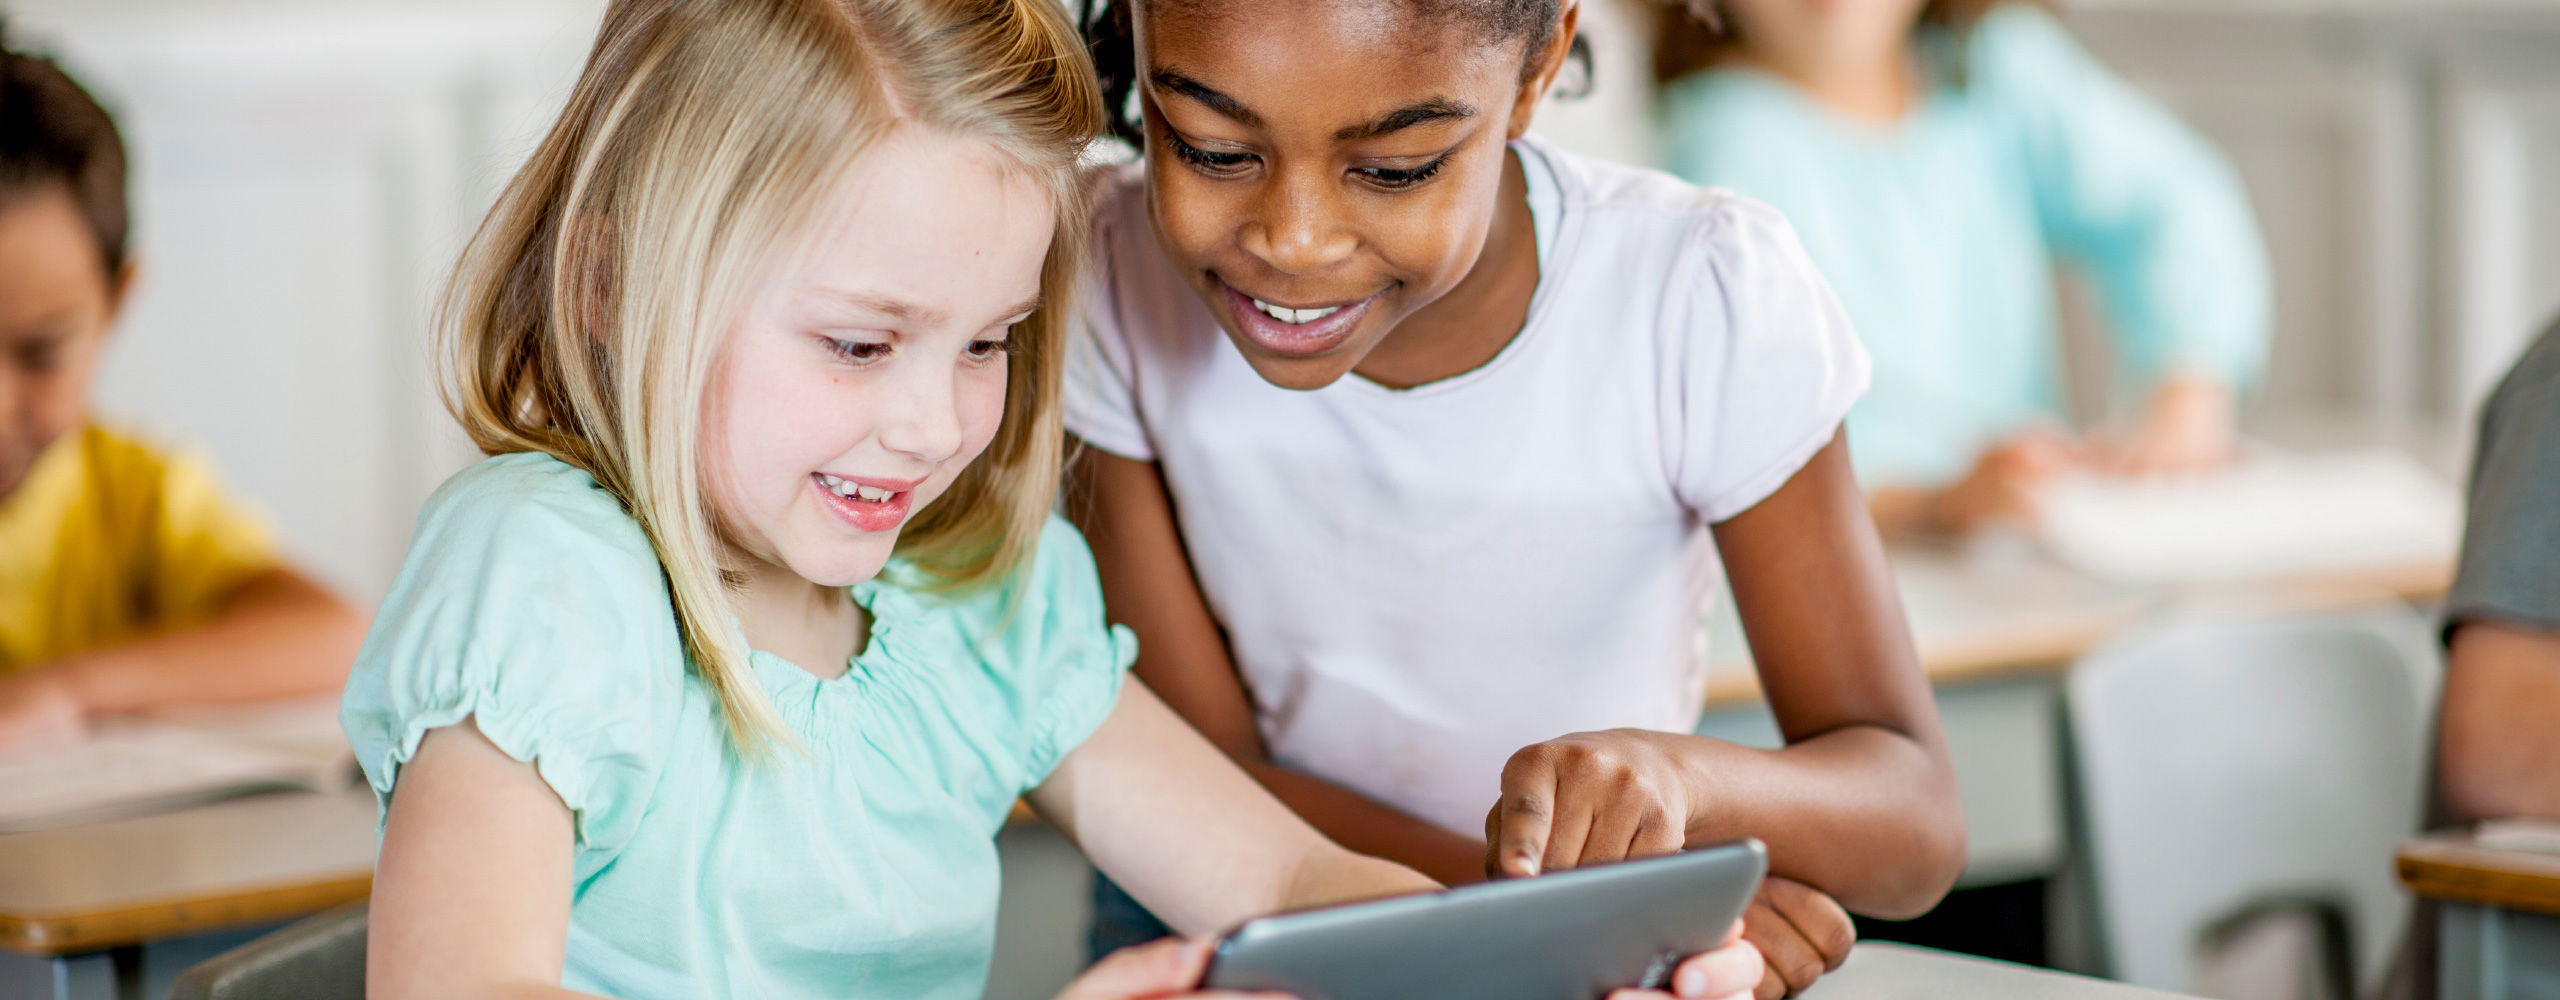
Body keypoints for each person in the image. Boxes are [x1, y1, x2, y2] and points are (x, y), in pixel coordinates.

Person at [343, 1, 1766, 998]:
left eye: (988, 344)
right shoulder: (537, 571)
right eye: (856, 342)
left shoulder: (975, 599)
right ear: (610, 289)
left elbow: (1283, 881)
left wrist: (1559, 968)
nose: (931, 423)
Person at [1063, 2, 1965, 997]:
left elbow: (1911, 821)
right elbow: (1196, 773)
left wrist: (1681, 783)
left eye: (1397, 167)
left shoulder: (1696, 296)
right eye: (1209, 148)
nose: (1294, 241)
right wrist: (1591, 912)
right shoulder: (1105, 270)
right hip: (1229, 933)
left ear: (1538, 70)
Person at [1654, 0, 2271, 535]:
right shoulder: (1717, 149)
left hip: (2036, 569)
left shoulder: (1998, 74)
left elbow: (2176, 203)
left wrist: (2186, 397)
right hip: (1871, 587)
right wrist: (1937, 507)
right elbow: (1741, 458)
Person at [0, 33, 364, 751]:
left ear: (117, 301)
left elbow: (333, 636)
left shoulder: (131, 494)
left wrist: (62, 689)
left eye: (40, 353)